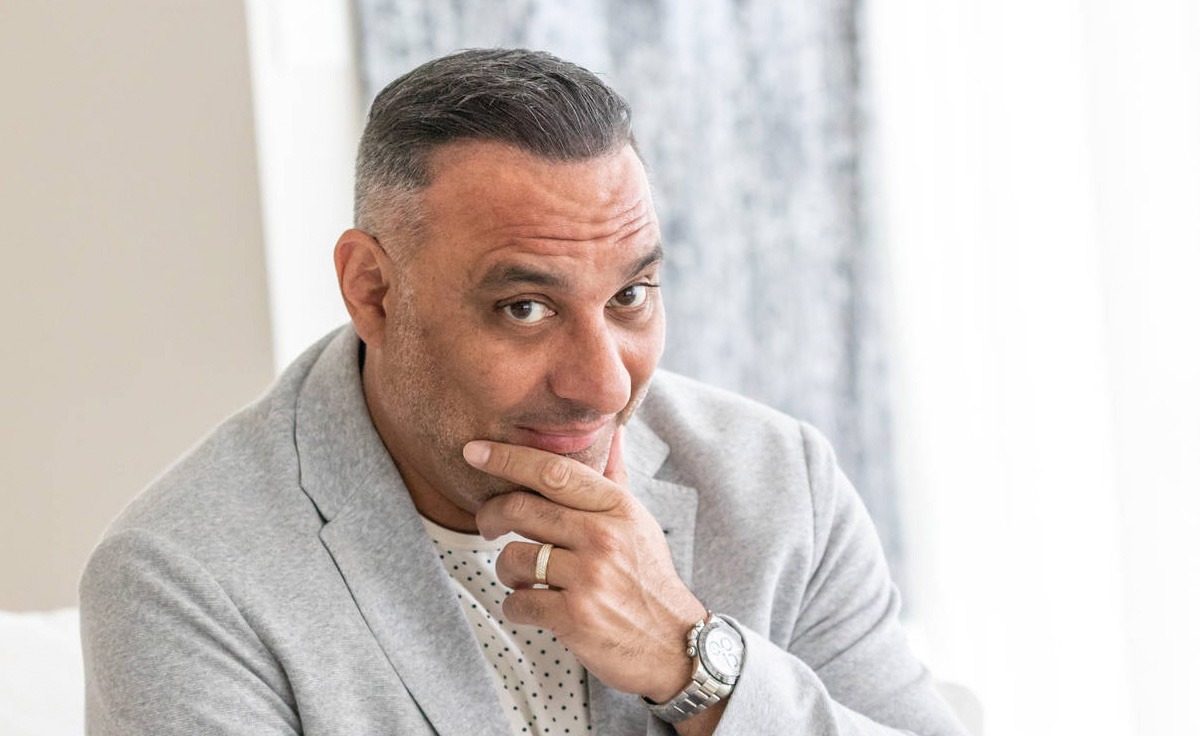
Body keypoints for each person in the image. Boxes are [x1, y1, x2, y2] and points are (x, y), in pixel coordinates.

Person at [80, 48, 967, 736]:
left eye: (630, 296)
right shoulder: (185, 579)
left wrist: (693, 664)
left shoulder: (780, 484)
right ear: (373, 291)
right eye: (525, 308)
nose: (604, 384)